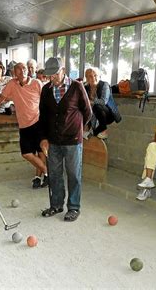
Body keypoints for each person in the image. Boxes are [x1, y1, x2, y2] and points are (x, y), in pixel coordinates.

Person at [39, 57, 92, 222]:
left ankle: (74, 208)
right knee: (54, 175)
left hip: (73, 141)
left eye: (54, 74)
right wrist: (43, 138)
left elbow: (87, 112)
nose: (51, 78)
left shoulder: (77, 86)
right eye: (49, 75)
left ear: (63, 70)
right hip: (53, 141)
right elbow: (43, 117)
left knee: (73, 175)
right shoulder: (46, 90)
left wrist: (77, 129)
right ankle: (56, 205)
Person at [0, 62, 48, 189]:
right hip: (24, 125)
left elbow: (46, 101)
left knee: (41, 152)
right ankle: (48, 173)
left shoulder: (36, 83)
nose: (22, 71)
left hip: (38, 122)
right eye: (18, 69)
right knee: (26, 153)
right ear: (13, 73)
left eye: (24, 69)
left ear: (28, 71)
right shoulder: (12, 84)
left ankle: (38, 178)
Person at [83, 67, 121, 139]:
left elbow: (103, 101)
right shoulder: (86, 88)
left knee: (97, 106)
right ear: (87, 78)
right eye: (90, 76)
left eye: (95, 75)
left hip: (108, 113)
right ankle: (93, 132)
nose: (94, 78)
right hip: (94, 114)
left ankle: (103, 130)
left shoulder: (104, 85)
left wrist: (90, 102)